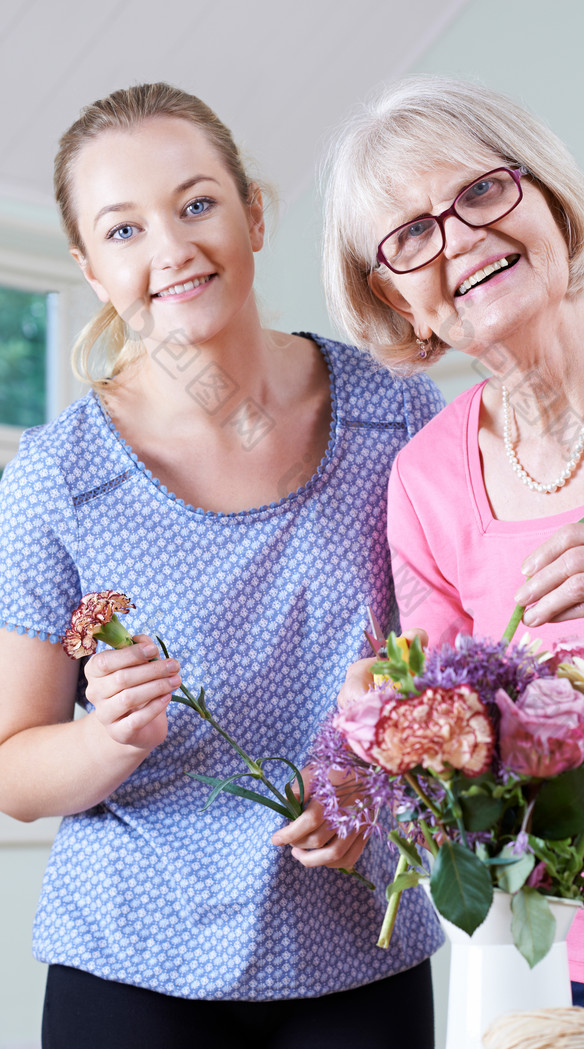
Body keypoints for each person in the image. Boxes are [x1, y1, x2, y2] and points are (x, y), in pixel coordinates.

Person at [0, 83, 445, 1049]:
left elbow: (450, 675)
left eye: (196, 204)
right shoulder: (57, 480)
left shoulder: (398, 419)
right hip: (127, 964)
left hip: (356, 954)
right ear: (87, 262)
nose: (170, 250)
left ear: (253, 211)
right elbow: (15, 766)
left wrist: (378, 785)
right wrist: (108, 737)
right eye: (123, 230)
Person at [322, 75, 584, 1013]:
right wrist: (392, 742)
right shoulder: (425, 482)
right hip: (552, 972)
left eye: (482, 191)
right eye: (411, 235)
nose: (461, 241)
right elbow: (471, 777)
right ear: (397, 300)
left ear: (549, 199)